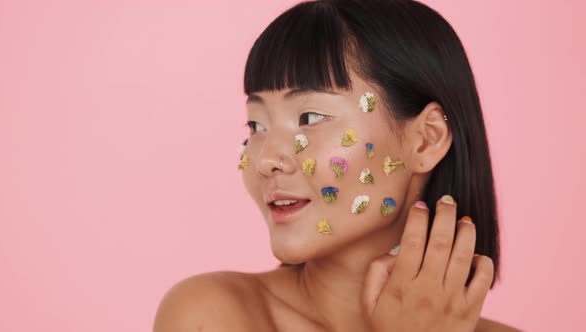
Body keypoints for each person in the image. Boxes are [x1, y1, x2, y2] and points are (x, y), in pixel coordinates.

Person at [154, 0, 522, 331]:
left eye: (310, 116)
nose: (265, 160)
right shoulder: (211, 316)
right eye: (256, 125)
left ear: (427, 138)